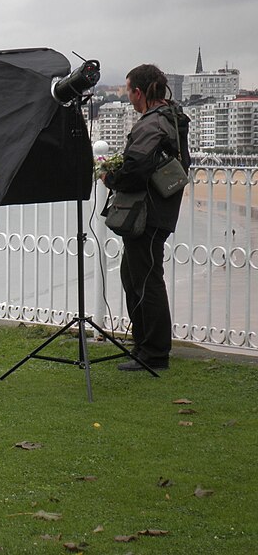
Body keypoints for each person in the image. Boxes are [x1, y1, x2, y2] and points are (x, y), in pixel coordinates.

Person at [101, 64, 190, 372]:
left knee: (146, 280)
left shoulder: (151, 123)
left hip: (147, 213)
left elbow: (136, 168)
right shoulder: (173, 116)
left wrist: (111, 178)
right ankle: (144, 345)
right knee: (133, 275)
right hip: (161, 209)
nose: (128, 98)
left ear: (138, 92)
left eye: (129, 91)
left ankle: (153, 353)